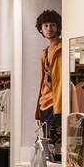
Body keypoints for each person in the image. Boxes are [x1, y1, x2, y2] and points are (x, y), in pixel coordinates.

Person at [33, 10, 62, 142]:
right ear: (41, 29)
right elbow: (44, 81)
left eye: (52, 25)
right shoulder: (44, 52)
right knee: (47, 145)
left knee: (55, 146)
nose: (49, 28)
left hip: (57, 104)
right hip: (44, 104)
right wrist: (39, 109)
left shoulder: (63, 48)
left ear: (58, 27)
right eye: (45, 25)